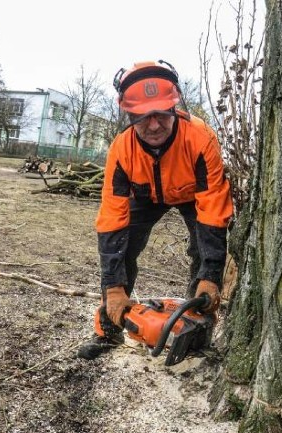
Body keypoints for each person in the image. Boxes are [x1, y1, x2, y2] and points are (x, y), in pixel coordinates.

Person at [77, 60, 233, 360]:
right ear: (129, 114)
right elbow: (111, 217)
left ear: (174, 107)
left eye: (162, 114)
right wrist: (113, 286)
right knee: (124, 249)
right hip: (144, 192)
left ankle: (196, 330)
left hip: (191, 194)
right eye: (143, 117)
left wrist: (211, 274)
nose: (154, 125)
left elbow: (213, 207)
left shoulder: (200, 139)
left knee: (203, 252)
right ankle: (108, 329)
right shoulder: (122, 149)